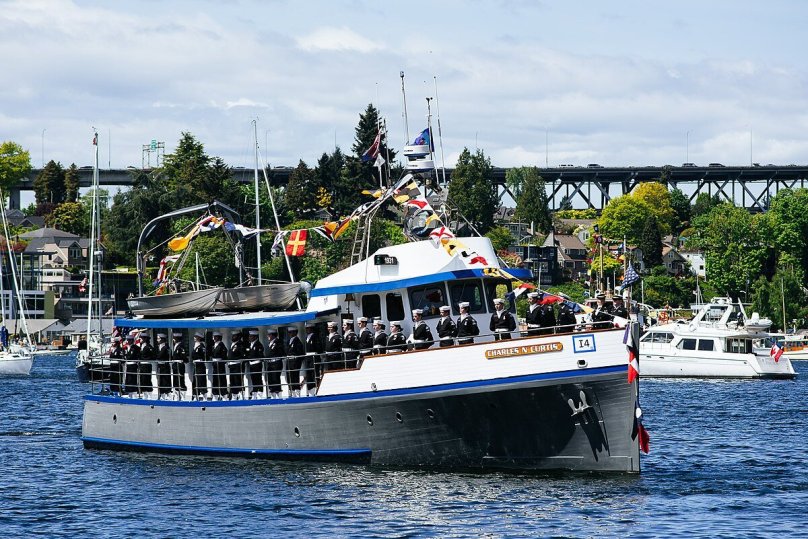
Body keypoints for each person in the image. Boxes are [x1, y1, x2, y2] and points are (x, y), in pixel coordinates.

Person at [266, 328, 284, 398]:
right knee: (270, 379)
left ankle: (279, 395)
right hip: (270, 364)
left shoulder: (278, 342)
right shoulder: (270, 343)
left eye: (269, 335)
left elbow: (280, 352)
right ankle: (273, 395)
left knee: (275, 379)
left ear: (273, 335)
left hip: (276, 363)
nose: (268, 336)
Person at [246, 329, 264, 399]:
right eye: (249, 336)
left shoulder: (259, 345)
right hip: (251, 364)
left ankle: (260, 392)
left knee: (258, 379)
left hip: (257, 364)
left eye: (251, 336)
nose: (249, 338)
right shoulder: (250, 344)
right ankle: (255, 392)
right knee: (253, 379)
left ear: (255, 337)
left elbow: (259, 355)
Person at [303, 323, 322, 393]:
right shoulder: (306, 337)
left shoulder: (315, 337)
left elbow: (318, 348)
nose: (307, 330)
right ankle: (310, 389)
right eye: (306, 329)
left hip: (314, 357)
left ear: (311, 329)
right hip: (308, 358)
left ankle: (316, 389)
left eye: (308, 328)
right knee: (309, 374)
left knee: (314, 373)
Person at [287, 326, 305, 397]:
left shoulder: (298, 342)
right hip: (289, 362)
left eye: (291, 332)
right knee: (289, 377)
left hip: (294, 363)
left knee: (295, 377)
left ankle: (297, 393)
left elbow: (301, 354)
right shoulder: (289, 341)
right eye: (289, 332)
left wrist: (296, 362)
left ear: (295, 333)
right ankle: (291, 391)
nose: (290, 334)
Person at [228, 331, 246, 399]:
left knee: (238, 381)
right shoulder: (233, 344)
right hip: (232, 366)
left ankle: (241, 395)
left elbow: (243, 355)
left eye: (234, 336)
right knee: (232, 381)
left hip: (237, 366)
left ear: (238, 337)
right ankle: (234, 395)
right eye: (233, 336)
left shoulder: (240, 344)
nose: (233, 337)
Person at [210, 332, 228, 400]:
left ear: (219, 337)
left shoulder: (221, 345)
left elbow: (224, 356)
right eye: (214, 336)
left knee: (222, 380)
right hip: (215, 364)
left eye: (216, 337)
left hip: (220, 365)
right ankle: (215, 394)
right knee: (215, 380)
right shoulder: (214, 345)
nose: (214, 338)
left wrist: (221, 363)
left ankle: (224, 395)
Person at [191, 332, 207, 400]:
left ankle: (204, 396)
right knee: (195, 381)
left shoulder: (201, 346)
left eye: (196, 336)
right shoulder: (195, 345)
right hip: (196, 365)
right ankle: (195, 395)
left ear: (199, 338)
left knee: (201, 380)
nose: (194, 338)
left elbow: (203, 355)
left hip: (200, 365)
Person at [155, 333, 172, 398]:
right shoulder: (159, 347)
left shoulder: (166, 347)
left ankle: (168, 394)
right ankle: (162, 395)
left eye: (158, 338)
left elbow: (160, 356)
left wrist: (156, 357)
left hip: (165, 366)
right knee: (161, 381)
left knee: (166, 380)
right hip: (160, 366)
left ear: (162, 339)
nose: (157, 340)